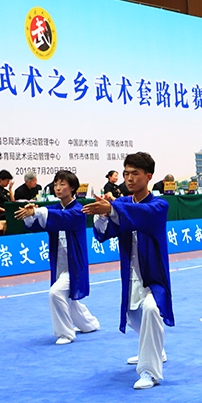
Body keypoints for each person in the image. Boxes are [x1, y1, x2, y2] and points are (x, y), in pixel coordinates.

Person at [84, 152, 173, 390]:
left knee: (152, 309)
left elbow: (141, 216)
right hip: (131, 274)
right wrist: (104, 212)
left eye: (135, 173)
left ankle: (149, 372)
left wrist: (111, 208)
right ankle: (155, 349)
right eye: (126, 173)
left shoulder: (159, 205)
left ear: (149, 176)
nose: (129, 178)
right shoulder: (121, 204)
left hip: (153, 275)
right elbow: (104, 233)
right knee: (135, 316)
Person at [15, 170, 101, 345]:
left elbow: (62, 218)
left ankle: (66, 333)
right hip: (59, 263)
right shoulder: (54, 208)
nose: (58, 188)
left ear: (73, 188)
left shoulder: (79, 210)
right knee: (70, 299)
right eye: (55, 184)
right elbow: (39, 223)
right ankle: (90, 324)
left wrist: (38, 211)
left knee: (55, 293)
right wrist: (32, 215)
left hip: (75, 265)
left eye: (62, 184)